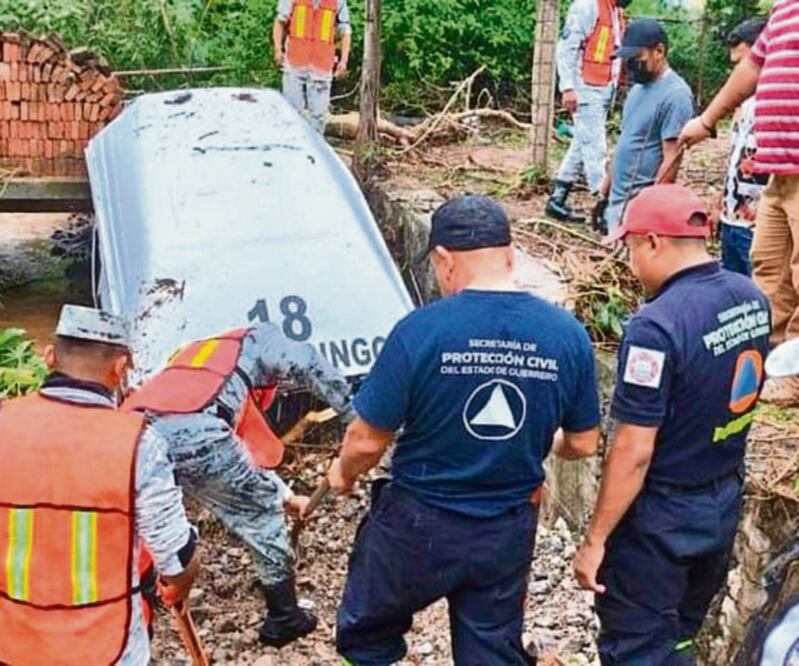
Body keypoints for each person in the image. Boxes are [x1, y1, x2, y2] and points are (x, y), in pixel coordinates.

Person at [327, 194, 601, 665]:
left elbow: (367, 440)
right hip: (505, 528)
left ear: (444, 259)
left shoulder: (419, 331)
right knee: (491, 648)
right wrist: (539, 438)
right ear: (510, 255)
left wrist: (343, 473)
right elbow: (583, 442)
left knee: (367, 637)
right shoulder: (567, 334)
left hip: (418, 522)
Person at [574, 184, 771, 664]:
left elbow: (633, 450)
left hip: (661, 520)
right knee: (682, 633)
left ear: (653, 241)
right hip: (721, 502)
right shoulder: (751, 297)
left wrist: (595, 539)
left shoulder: (655, 326)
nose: (630, 264)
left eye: (631, 248)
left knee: (637, 647)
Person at [123, 321, 351, 648]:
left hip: (133, 432)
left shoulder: (198, 355)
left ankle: (146, 591)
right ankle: (284, 618)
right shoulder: (262, 339)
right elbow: (307, 362)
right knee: (260, 515)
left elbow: (241, 457)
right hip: (195, 431)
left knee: (142, 518)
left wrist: (287, 496)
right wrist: (354, 414)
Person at [0, 305, 199, 665]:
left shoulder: (4, 420)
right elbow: (177, 559)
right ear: (120, 368)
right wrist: (180, 586)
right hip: (105, 644)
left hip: (12, 640)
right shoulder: (139, 442)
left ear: (49, 357)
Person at [680, 0, 799, 405]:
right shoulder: (784, 10)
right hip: (779, 172)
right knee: (768, 266)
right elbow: (752, 66)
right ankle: (769, 358)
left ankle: (795, 374)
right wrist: (706, 120)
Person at [600, 18, 694, 233]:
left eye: (637, 58)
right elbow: (626, 140)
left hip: (638, 204)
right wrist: (605, 192)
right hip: (617, 201)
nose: (631, 65)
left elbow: (672, 158)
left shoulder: (675, 95)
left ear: (659, 51)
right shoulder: (637, 90)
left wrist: (650, 210)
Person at [546, 0, 629, 224]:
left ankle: (557, 199)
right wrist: (568, 87)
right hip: (586, 88)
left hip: (603, 89)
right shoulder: (588, 6)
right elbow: (567, 47)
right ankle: (606, 209)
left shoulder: (615, 11)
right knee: (595, 148)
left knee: (581, 144)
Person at [717, 18, 769, 276]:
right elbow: (735, 159)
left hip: (761, 227)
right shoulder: (744, 105)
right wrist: (720, 202)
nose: (740, 74)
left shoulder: (784, 100)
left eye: (745, 64)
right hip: (731, 220)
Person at [273, 0, 352, 134]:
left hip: (322, 66)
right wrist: (277, 49)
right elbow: (280, 22)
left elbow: (345, 32)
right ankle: (295, 143)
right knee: (292, 112)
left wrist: (343, 61)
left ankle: (315, 144)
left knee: (319, 117)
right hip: (294, 62)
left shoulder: (338, 1)